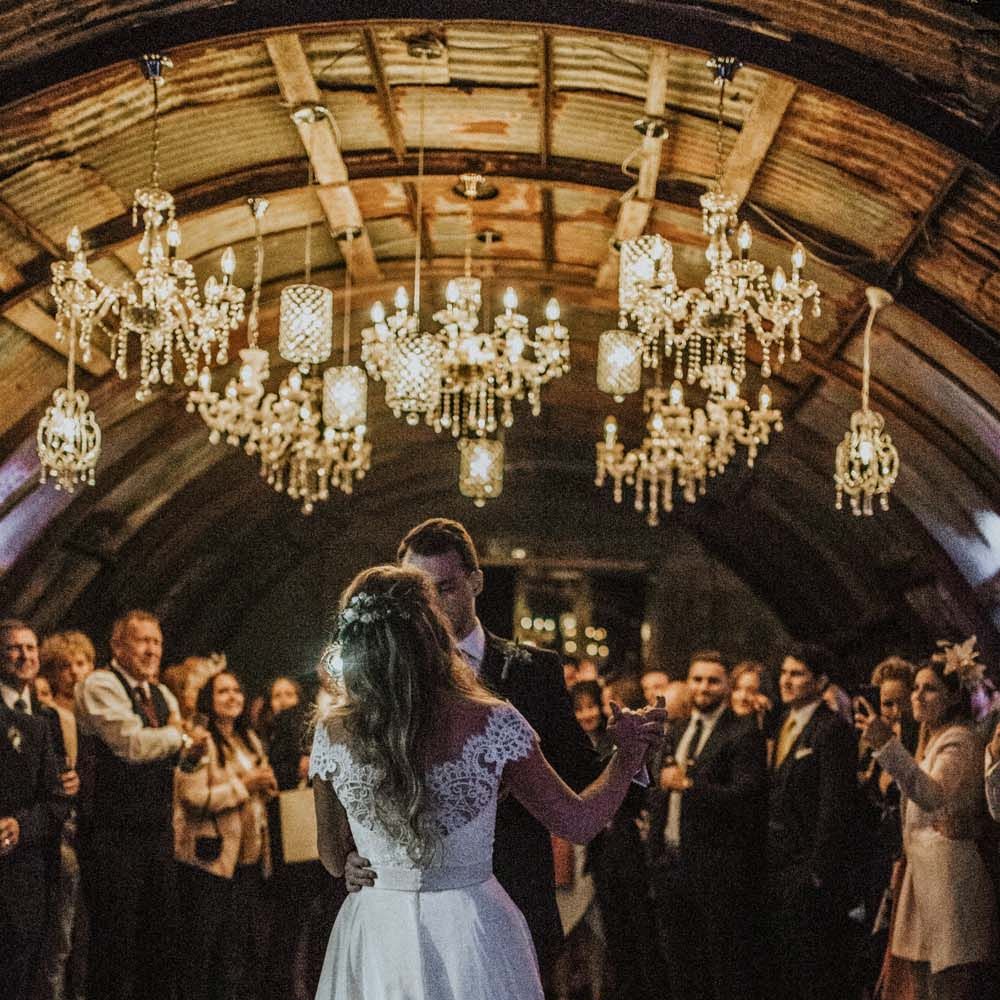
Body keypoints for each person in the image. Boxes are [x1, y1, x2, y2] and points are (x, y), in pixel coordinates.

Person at [310, 565, 664, 998]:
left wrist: (357, 862)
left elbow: (331, 854)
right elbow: (579, 821)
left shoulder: (332, 731)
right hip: (471, 925)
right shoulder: (491, 721)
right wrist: (627, 758)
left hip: (376, 928)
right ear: (432, 633)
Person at [342, 517, 603, 980]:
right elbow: (353, 784)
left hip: (513, 892)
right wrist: (350, 853)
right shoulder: (379, 687)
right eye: (418, 595)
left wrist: (632, 758)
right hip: (404, 914)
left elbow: (578, 772)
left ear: (475, 582)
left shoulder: (532, 670)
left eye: (443, 589)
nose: (432, 608)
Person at [76, 609, 206, 1000]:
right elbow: (130, 744)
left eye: (157, 642)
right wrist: (180, 738)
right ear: (118, 645)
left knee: (159, 941)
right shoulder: (101, 684)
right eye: (143, 640)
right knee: (114, 944)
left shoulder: (162, 695)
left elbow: (176, 756)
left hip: (157, 833)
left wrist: (192, 753)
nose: (152, 650)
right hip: (113, 834)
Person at [857, 642, 997, 1000]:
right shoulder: (932, 738)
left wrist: (887, 746)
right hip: (925, 878)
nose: (916, 695)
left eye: (929, 688)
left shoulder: (960, 740)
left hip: (949, 883)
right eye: (916, 687)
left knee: (947, 981)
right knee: (921, 982)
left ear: (952, 698)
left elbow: (934, 797)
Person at [647, 650, 768, 1000]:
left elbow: (747, 797)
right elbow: (660, 789)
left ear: (727, 685)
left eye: (713, 681)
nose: (704, 687)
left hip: (716, 872)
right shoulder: (679, 728)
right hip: (671, 866)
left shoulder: (743, 734)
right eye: (698, 679)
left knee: (722, 969)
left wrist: (691, 786)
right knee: (680, 967)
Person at [764, 642, 860, 1000]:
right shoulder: (783, 721)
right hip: (778, 862)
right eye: (784, 673)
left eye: (797, 674)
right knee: (786, 965)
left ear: (820, 683)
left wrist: (816, 871)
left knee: (814, 969)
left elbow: (834, 806)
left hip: (806, 867)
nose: (786, 681)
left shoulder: (831, 729)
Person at [174, 670, 277, 1000]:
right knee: (203, 953)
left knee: (237, 953)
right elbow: (192, 798)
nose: (233, 697)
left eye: (237, 691)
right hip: (211, 861)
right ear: (209, 699)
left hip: (248, 860)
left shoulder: (249, 738)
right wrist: (243, 787)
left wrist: (265, 787)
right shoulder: (200, 739)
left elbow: (260, 787)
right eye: (223, 692)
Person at [35, 630, 96, 1000]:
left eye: (83, 663)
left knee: (87, 936)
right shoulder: (48, 716)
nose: (76, 672)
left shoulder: (99, 715)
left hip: (96, 832)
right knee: (60, 936)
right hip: (65, 832)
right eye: (65, 666)